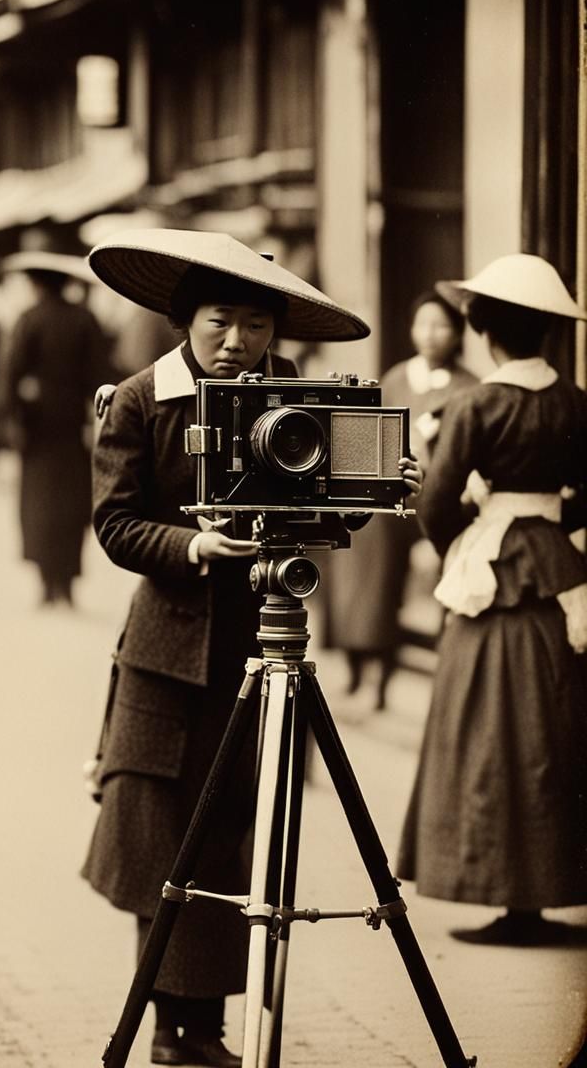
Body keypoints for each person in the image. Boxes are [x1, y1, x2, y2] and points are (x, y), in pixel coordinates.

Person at [80, 228, 421, 1066]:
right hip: (169, 650)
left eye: (258, 327)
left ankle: (213, 1029)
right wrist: (194, 548)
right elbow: (115, 524)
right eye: (219, 323)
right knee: (163, 839)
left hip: (265, 637)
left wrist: (380, 485)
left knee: (244, 829)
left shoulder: (296, 393)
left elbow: (320, 512)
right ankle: (167, 1027)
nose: (239, 344)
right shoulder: (137, 399)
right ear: (183, 322)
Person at [397, 253, 587, 946]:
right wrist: (556, 523)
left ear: (484, 333)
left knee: (488, 728)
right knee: (556, 726)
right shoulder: (575, 402)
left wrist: (464, 536)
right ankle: (550, 886)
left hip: (496, 567)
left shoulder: (478, 404)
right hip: (556, 567)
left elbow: (437, 498)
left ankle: (511, 894)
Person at [326, 288, 478, 709]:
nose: (430, 335)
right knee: (359, 540)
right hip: (391, 499)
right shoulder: (395, 378)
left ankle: (391, 675)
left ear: (459, 333)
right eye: (423, 324)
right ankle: (361, 668)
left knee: (401, 540)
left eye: (442, 325)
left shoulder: (469, 388)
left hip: (439, 499)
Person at [1, 250, 113, 607]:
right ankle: (66, 582)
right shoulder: (84, 319)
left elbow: (10, 374)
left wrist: (10, 418)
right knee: (71, 502)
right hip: (71, 424)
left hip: (36, 425)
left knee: (38, 504)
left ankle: (46, 583)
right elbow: (101, 376)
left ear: (36, 284)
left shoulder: (29, 319)